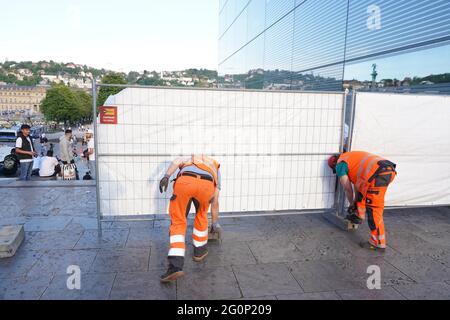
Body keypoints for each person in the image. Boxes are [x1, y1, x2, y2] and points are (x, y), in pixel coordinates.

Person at [159, 154, 221, 282]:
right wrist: (215, 224)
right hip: (206, 185)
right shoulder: (215, 166)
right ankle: (200, 252)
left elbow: (176, 161)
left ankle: (175, 267)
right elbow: (215, 200)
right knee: (201, 215)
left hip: (185, 182)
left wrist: (166, 176)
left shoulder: (190, 158)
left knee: (178, 220)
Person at [328, 151, 397, 250]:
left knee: (374, 209)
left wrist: (351, 204)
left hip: (378, 174)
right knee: (362, 195)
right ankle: (359, 215)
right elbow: (358, 187)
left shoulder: (340, 165)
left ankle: (378, 243)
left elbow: (348, 189)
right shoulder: (350, 158)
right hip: (387, 169)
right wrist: (355, 204)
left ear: (334, 165)